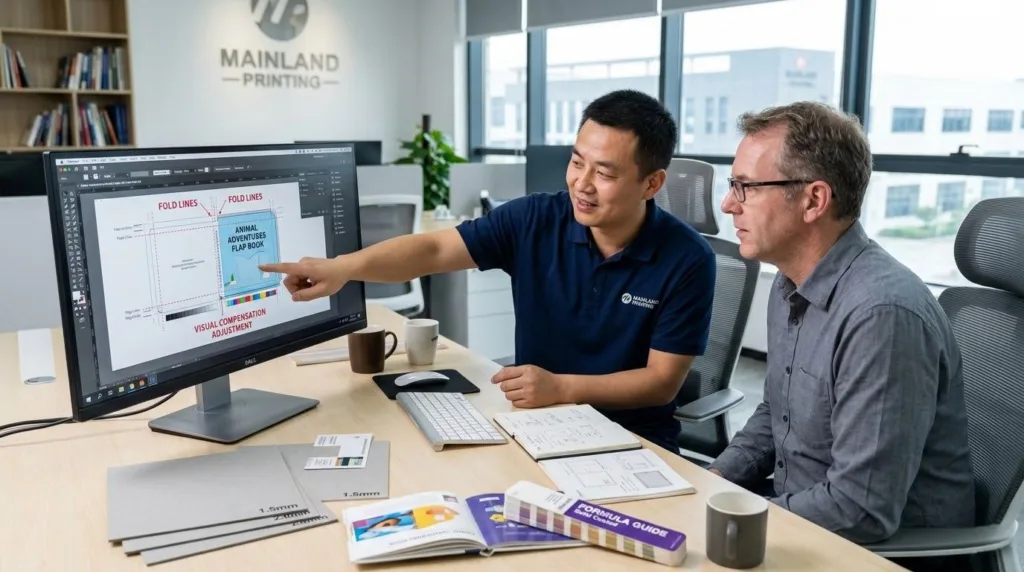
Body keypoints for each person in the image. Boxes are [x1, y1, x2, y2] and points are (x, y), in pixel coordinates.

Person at [259, 89, 716, 454]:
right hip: (535, 426)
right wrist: (344, 268)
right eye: (577, 162)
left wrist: (562, 388)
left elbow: (661, 384)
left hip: (633, 442)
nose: (582, 183)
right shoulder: (535, 220)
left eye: (605, 173)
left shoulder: (688, 258)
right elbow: (435, 249)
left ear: (652, 183)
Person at [707, 101, 975, 569]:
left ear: (813, 200)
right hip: (802, 519)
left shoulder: (881, 314)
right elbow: (776, 413)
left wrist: (743, 518)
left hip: (873, 552)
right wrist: (712, 484)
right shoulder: (792, 280)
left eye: (745, 187)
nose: (729, 204)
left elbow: (861, 507)